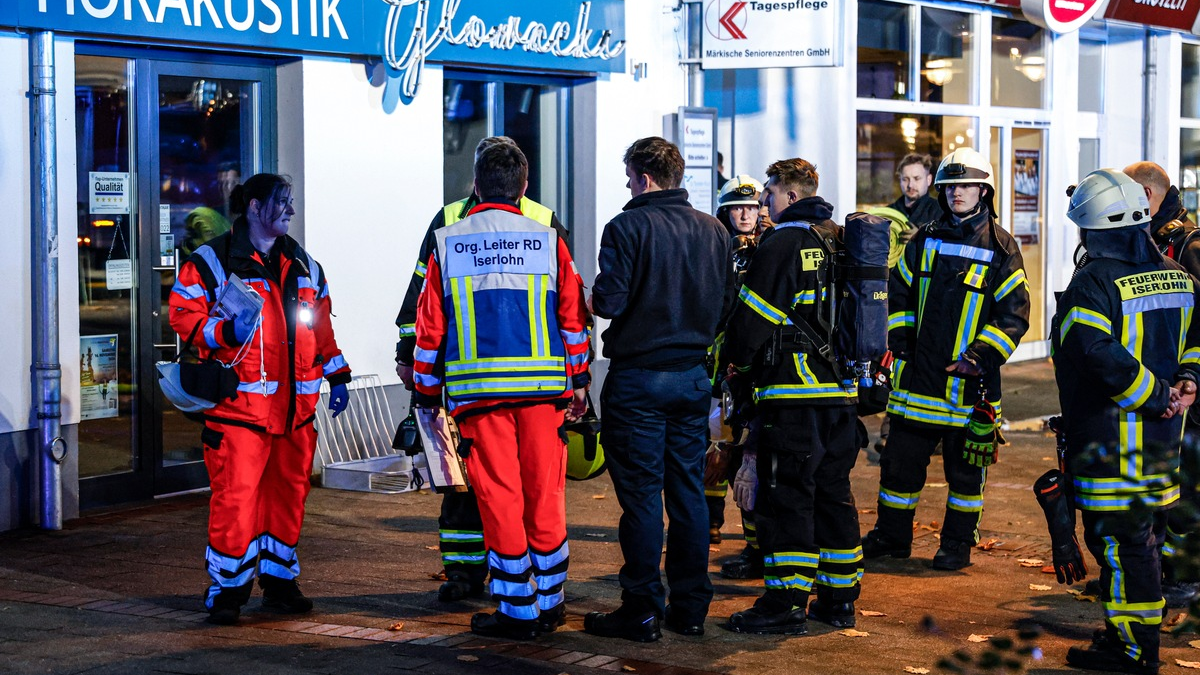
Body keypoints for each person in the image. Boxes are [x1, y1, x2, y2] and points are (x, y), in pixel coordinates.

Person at [412, 142, 590, 641]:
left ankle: (517, 610)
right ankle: (551, 601)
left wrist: (426, 395)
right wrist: (579, 381)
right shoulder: (547, 238)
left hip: (479, 397)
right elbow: (573, 319)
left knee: (500, 499)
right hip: (544, 393)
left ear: (475, 185)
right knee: (545, 495)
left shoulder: (448, 242)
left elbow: (430, 330)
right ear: (524, 187)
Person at [168, 173, 352, 625]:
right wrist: (222, 331)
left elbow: (320, 326)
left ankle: (279, 584)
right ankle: (227, 591)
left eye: (290, 202)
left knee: (288, 498)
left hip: (296, 414)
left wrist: (338, 372)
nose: (290, 210)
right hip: (239, 414)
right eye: (282, 202)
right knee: (237, 500)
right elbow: (183, 316)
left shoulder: (306, 265)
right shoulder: (211, 263)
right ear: (253, 207)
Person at [1051, 168, 1200, 675]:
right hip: (1161, 447)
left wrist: (1157, 395)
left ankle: (1134, 652)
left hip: (1112, 448)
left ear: (1091, 229)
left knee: (1121, 550)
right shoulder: (1178, 274)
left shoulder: (1093, 281)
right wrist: (1189, 379)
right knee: (1144, 547)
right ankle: (1129, 637)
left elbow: (1094, 352)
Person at [585, 137, 733, 642]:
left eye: (629, 177)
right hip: (693, 378)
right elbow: (727, 305)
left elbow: (609, 300)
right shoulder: (714, 231)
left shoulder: (626, 226)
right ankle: (691, 609)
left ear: (644, 178)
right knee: (689, 493)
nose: (628, 185)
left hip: (638, 381)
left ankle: (642, 607)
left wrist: (588, 294)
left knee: (643, 498)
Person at [862, 147, 1030, 571]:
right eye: (950, 185)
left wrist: (980, 356)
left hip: (969, 386)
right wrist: (899, 346)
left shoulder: (1002, 247)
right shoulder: (925, 238)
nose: (957, 192)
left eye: (966, 185)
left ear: (983, 190)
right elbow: (897, 292)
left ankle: (956, 545)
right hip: (916, 381)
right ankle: (892, 537)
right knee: (899, 470)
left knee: (966, 477)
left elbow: (1014, 315)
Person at [717, 158, 863, 635]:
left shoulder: (784, 242)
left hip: (792, 394)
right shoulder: (843, 239)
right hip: (841, 396)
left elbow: (751, 321)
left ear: (792, 196)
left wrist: (733, 360)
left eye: (770, 194)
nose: (763, 204)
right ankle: (839, 599)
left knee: (787, 501)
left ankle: (784, 601)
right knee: (833, 496)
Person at [1125, 161, 1200, 608]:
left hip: (1187, 390)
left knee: (1186, 490)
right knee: (1154, 486)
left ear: (1149, 194)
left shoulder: (1188, 243)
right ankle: (1149, 573)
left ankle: (1183, 576)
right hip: (1156, 389)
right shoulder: (1146, 238)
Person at [705, 175, 766, 579]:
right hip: (714, 367)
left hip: (753, 368)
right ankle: (709, 524)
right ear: (725, 211)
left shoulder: (770, 249)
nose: (745, 213)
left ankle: (754, 545)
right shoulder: (713, 248)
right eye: (737, 207)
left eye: (751, 206)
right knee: (714, 450)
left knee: (749, 459)